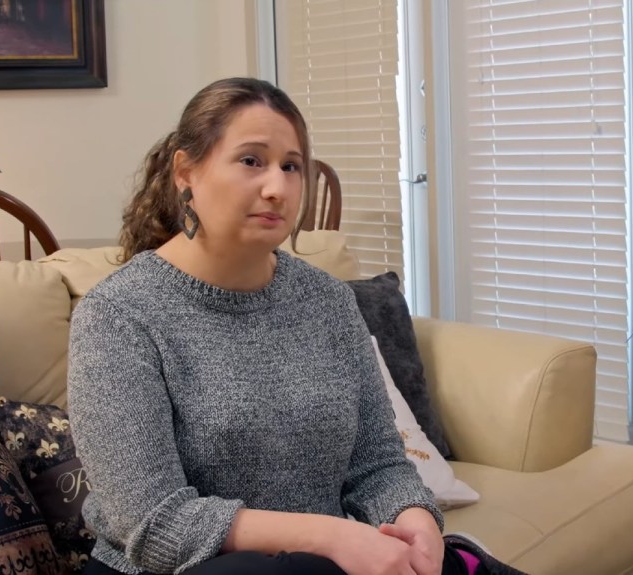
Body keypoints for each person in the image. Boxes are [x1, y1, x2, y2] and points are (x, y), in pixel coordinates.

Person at [68, 77, 524, 575]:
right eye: (251, 161)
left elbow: (378, 463)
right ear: (186, 173)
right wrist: (331, 535)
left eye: (291, 166)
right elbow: (152, 525)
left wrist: (414, 518)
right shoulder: (117, 315)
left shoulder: (328, 300)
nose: (276, 188)